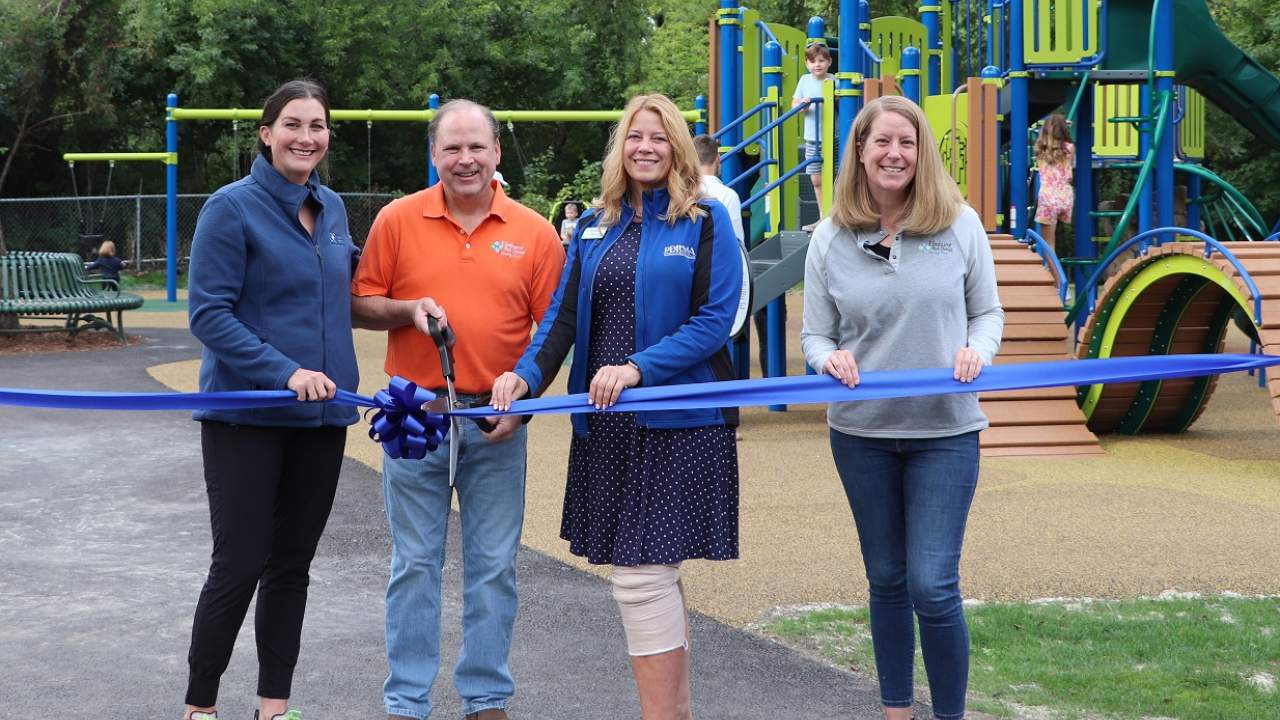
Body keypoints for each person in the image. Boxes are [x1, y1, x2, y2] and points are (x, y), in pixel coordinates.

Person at [490, 93, 743, 720]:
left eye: (659, 137)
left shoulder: (706, 220)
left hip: (680, 421)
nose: (646, 147)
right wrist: (523, 380)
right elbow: (563, 318)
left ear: (678, 146)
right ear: (620, 148)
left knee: (641, 575)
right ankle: (675, 712)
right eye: (635, 137)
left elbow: (716, 322)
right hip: (608, 426)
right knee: (649, 575)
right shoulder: (595, 225)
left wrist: (638, 368)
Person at [350, 99, 564, 720]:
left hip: (497, 424)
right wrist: (407, 308)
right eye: (452, 148)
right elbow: (361, 302)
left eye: (477, 147)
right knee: (414, 565)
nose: (465, 159)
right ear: (435, 154)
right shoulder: (397, 220)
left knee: (494, 568)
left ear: (497, 152)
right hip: (413, 419)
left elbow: (552, 331)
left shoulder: (534, 232)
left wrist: (524, 404)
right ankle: (407, 701)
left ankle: (486, 696)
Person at [799, 95, 1003, 720]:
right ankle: (895, 710)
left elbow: (987, 313)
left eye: (907, 143)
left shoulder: (959, 224)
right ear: (859, 151)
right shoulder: (830, 237)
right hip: (861, 435)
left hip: (945, 430)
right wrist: (826, 360)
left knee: (932, 585)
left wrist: (978, 349)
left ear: (923, 154)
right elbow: (815, 336)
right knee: (886, 579)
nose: (894, 154)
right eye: (881, 142)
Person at [183, 79, 361, 720]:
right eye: (292, 124)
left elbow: (346, 291)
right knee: (239, 562)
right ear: (266, 133)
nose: (305, 137)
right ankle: (200, 705)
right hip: (248, 417)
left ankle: (273, 708)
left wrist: (413, 310)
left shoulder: (334, 208)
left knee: (291, 567)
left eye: (317, 126)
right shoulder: (229, 209)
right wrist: (284, 372)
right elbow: (209, 315)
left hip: (322, 419)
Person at [692, 133, 750, 344]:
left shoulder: (679, 193)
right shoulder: (727, 195)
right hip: (716, 282)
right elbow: (736, 248)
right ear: (718, 159)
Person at [792, 42, 833, 221]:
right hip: (812, 138)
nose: (817, 64)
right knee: (816, 179)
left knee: (836, 175)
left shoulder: (833, 80)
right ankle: (823, 214)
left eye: (821, 60)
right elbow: (795, 105)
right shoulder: (804, 80)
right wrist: (803, 104)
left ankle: (835, 211)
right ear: (807, 64)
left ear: (829, 62)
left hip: (833, 136)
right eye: (813, 61)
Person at [1034, 113, 1074, 247]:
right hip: (1065, 195)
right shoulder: (1069, 148)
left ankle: (1052, 268)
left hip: (1048, 196)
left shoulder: (1040, 149)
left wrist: (1047, 128)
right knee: (1055, 239)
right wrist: (1064, 126)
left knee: (1048, 243)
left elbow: (1042, 138)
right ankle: (1054, 267)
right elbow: (1064, 139)